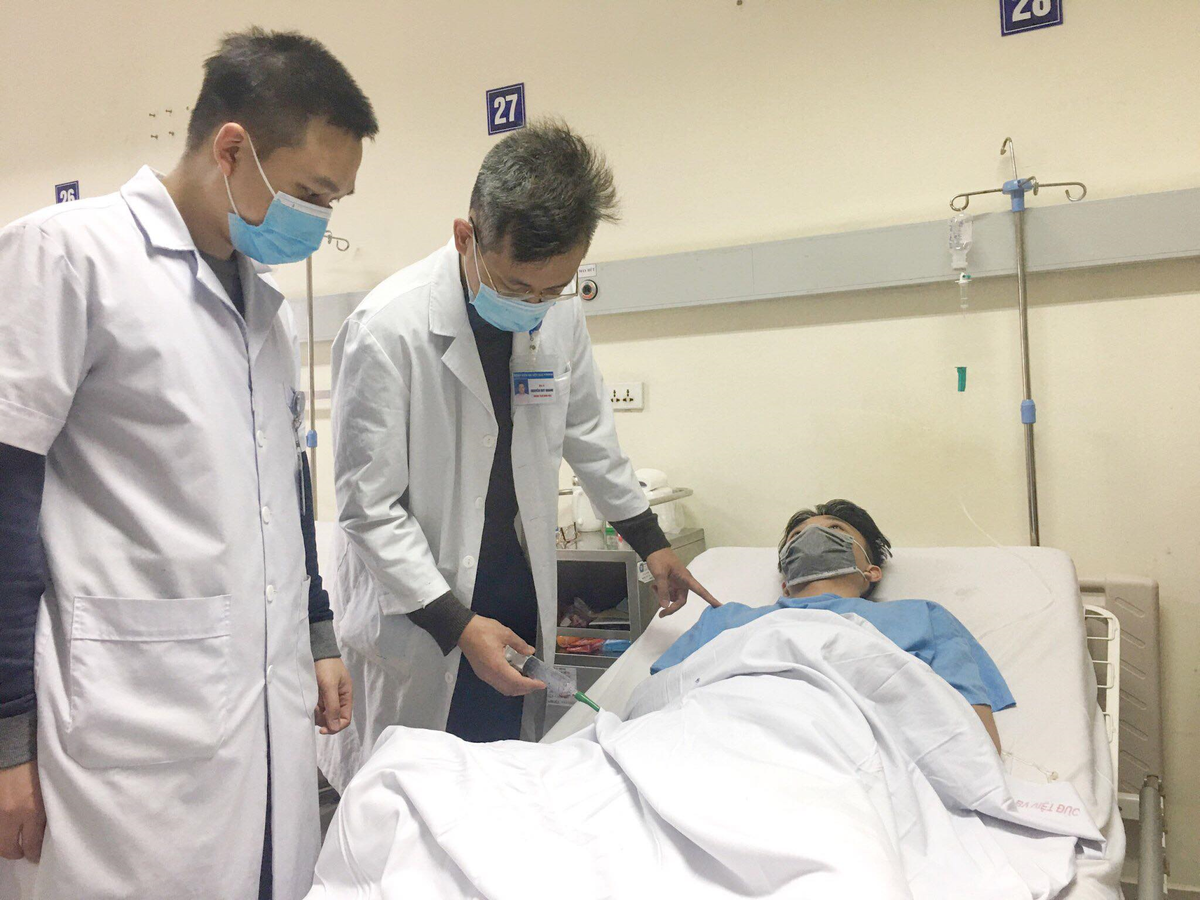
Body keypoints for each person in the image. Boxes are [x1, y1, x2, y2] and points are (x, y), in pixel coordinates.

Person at [0, 28, 376, 900]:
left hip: (257, 709)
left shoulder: (267, 311)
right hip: (120, 726)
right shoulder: (68, 258)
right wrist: (6, 736)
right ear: (232, 149)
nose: (320, 222)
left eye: (335, 201)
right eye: (311, 193)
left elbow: (283, 490)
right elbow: (4, 505)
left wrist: (317, 634)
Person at [322, 120, 719, 784]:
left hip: (514, 599)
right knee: (426, 794)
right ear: (465, 237)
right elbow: (370, 510)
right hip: (425, 617)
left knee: (507, 784)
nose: (535, 305)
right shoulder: (386, 330)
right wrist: (455, 623)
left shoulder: (558, 311)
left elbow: (588, 432)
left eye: (552, 288)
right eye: (515, 287)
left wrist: (650, 541)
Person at [651, 499, 1014, 751]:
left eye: (835, 529)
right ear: (785, 582)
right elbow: (655, 705)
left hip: (855, 756)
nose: (811, 537)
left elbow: (973, 734)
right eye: (796, 537)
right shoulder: (724, 618)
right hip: (722, 747)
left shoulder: (922, 616)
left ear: (872, 571)